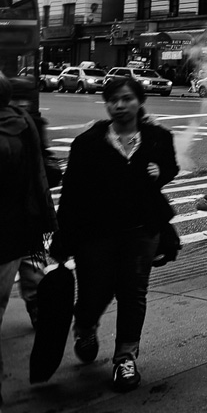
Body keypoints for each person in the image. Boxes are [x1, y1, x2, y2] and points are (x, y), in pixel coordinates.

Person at [51, 76, 178, 392]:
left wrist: (160, 173)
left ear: (139, 101)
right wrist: (62, 237)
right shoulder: (88, 143)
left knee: (133, 293)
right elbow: (72, 195)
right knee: (95, 289)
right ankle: (86, 326)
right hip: (96, 235)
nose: (119, 106)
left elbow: (170, 167)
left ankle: (125, 358)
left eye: (126, 99)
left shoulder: (158, 138)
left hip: (141, 232)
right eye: (113, 100)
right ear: (106, 104)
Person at [0, 69, 56, 413]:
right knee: (31, 273)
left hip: (6, 233)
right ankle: (38, 311)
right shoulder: (23, 122)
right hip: (24, 224)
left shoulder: (5, 132)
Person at [7, 77, 62, 330]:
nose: (21, 103)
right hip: (12, 210)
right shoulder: (16, 122)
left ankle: (38, 309)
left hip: (26, 211)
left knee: (32, 267)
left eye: (24, 99)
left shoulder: (33, 122)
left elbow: (44, 160)